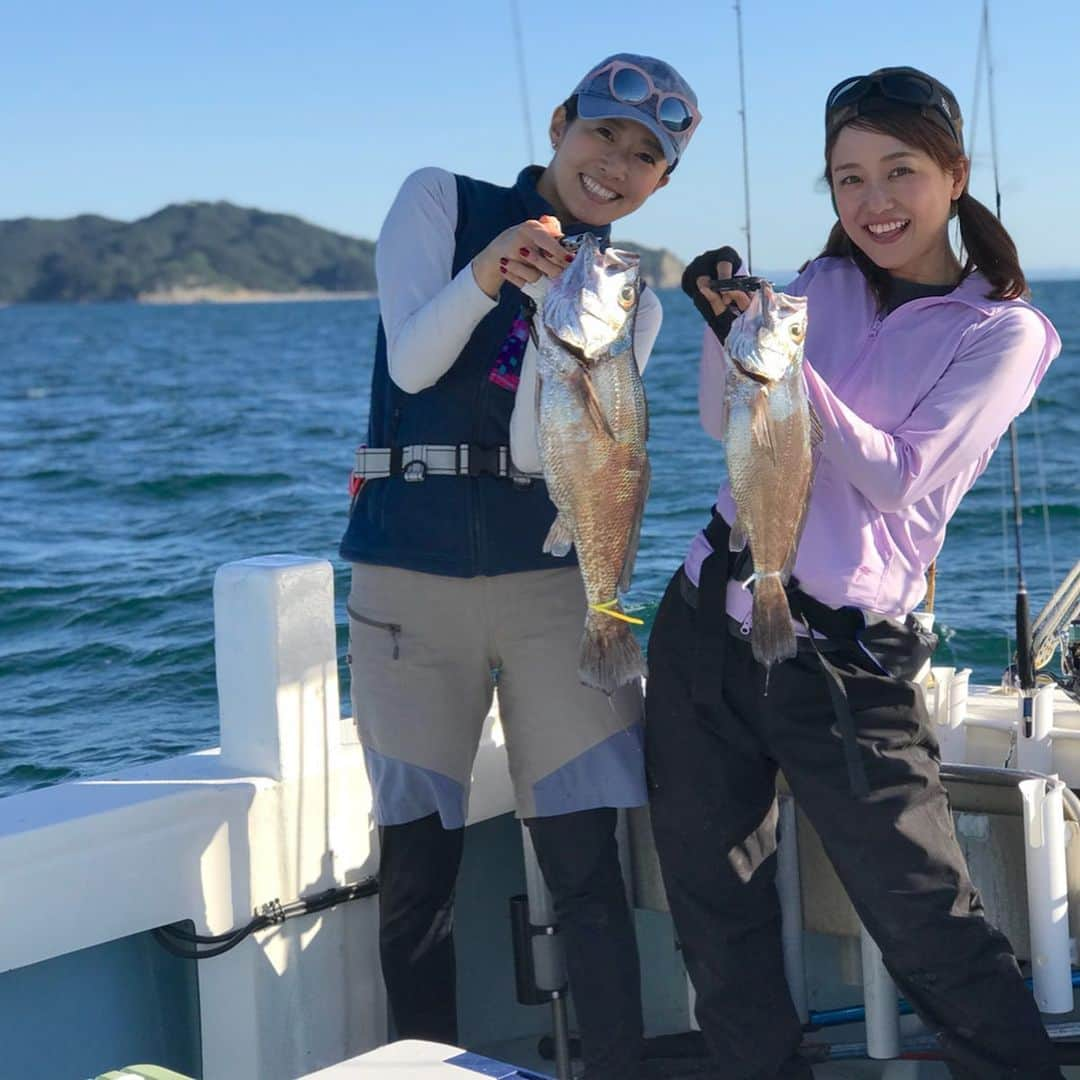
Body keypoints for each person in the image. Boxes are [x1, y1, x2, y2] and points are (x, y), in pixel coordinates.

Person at [646, 67, 1063, 1079]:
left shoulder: (1003, 332)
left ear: (955, 176)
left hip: (843, 664)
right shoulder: (819, 284)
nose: (873, 202)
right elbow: (721, 421)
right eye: (847, 179)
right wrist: (727, 333)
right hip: (708, 624)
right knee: (715, 913)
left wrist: (783, 364)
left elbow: (898, 475)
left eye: (899, 171)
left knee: (926, 919)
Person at [339, 53, 700, 1080]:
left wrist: (562, 336)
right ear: (558, 125)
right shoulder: (442, 202)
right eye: (603, 136)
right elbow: (412, 360)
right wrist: (488, 270)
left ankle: (618, 1070)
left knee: (587, 861)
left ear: (661, 183)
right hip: (407, 582)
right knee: (418, 870)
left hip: (557, 588)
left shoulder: (635, 295)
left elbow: (555, 459)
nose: (615, 166)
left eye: (646, 158)